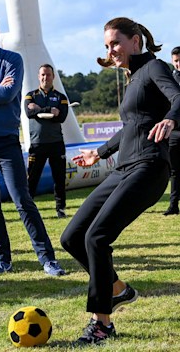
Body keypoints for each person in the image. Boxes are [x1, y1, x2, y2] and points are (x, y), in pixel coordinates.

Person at [60, 17, 180, 344]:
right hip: (123, 168)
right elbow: (131, 127)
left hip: (149, 166)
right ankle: (118, 290)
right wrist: (98, 153)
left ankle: (102, 325)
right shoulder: (132, 77)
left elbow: (178, 96)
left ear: (135, 40)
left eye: (115, 43)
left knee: (97, 238)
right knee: (72, 237)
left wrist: (171, 118)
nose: (111, 51)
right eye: (106, 46)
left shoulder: (154, 68)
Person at [0, 14, 66, 277]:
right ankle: (3, 260)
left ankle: (47, 259)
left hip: (6, 140)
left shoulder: (12, 60)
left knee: (23, 200)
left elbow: (8, 94)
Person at [24, 63, 69, 219]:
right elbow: (29, 112)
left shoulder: (61, 97)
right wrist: (50, 110)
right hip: (37, 144)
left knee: (59, 178)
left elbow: (62, 117)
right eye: (42, 74)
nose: (45, 77)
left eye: (48, 74)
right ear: (38, 76)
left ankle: (61, 209)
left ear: (53, 77)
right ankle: (28, 210)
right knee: (32, 179)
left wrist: (38, 109)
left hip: (56, 144)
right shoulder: (30, 95)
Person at [162, 46, 180, 215]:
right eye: (176, 61)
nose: (178, 64)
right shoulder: (169, 80)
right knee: (175, 171)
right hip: (175, 133)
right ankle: (173, 206)